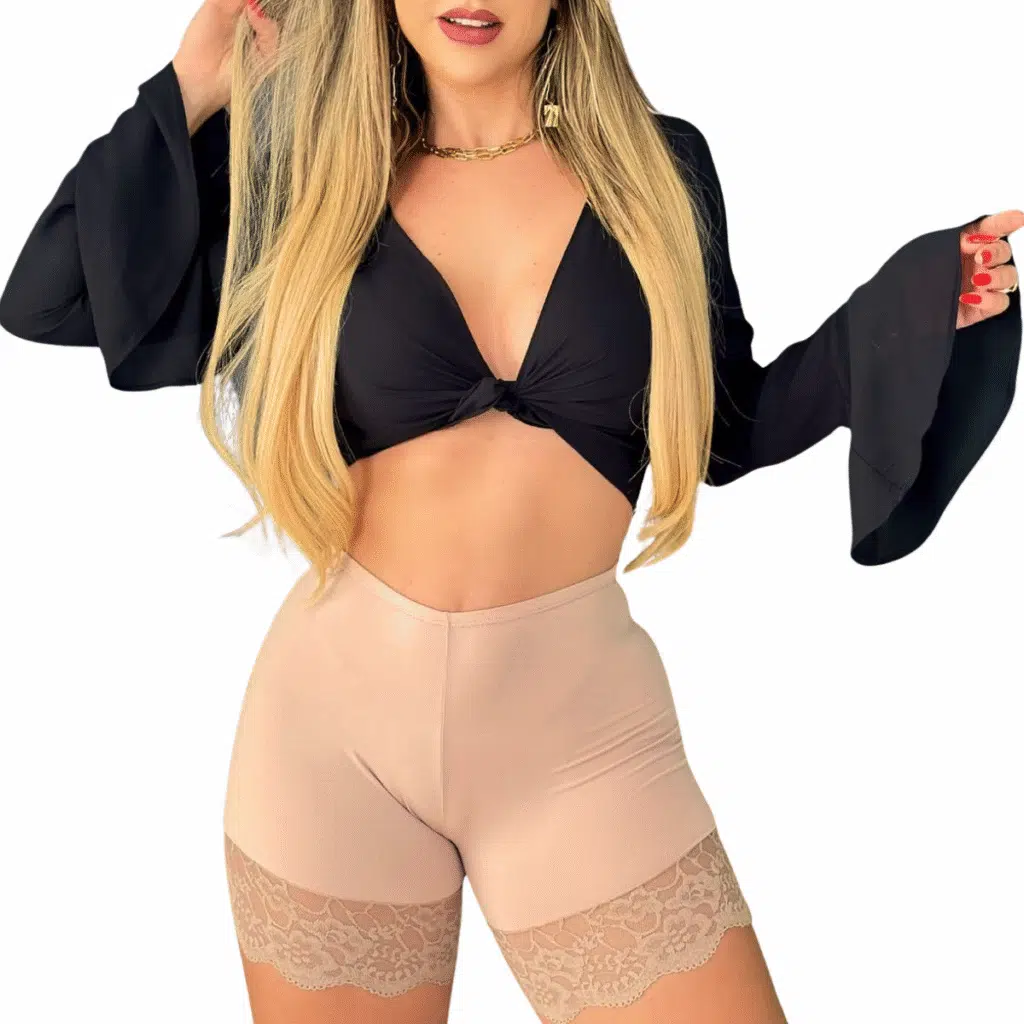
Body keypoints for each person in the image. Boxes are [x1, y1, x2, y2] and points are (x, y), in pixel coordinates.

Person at [1, 1, 1020, 1021]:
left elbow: (726, 424)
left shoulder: (659, 170)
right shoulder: (312, 172)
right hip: (330, 740)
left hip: (581, 742)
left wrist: (912, 305)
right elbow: (48, 297)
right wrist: (196, 87)